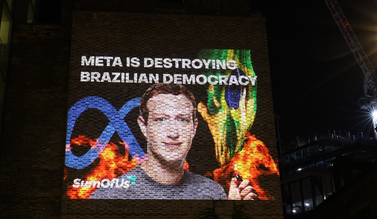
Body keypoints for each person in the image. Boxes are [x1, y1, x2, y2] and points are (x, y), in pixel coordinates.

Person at [89, 83, 257, 200]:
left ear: (194, 127)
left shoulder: (212, 192)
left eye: (182, 120)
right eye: (161, 119)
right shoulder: (110, 195)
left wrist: (234, 211)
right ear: (143, 126)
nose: (173, 133)